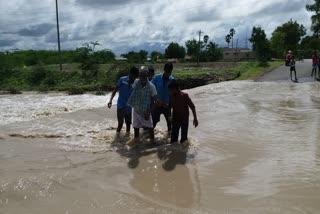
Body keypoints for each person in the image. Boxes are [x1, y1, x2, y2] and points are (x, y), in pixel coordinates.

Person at [128, 66, 159, 142]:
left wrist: (149, 111)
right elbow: (133, 91)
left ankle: (152, 143)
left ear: (147, 75)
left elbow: (157, 101)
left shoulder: (151, 86)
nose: (142, 77)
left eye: (144, 75)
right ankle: (136, 145)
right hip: (136, 110)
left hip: (145, 111)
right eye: (140, 75)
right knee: (136, 128)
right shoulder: (136, 82)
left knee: (150, 129)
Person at [108, 67, 139, 133]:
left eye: (136, 77)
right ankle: (117, 137)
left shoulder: (136, 83)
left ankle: (126, 138)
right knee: (120, 124)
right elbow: (115, 90)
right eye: (134, 76)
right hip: (121, 104)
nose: (134, 78)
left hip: (129, 106)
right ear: (130, 74)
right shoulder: (122, 79)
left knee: (128, 124)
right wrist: (110, 100)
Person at [151, 62, 174, 131]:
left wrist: (171, 105)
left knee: (170, 123)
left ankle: (169, 139)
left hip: (167, 106)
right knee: (153, 123)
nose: (168, 73)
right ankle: (148, 138)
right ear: (164, 69)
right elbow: (150, 88)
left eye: (170, 72)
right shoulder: (156, 78)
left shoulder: (172, 80)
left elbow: (174, 94)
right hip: (157, 104)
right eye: (167, 71)